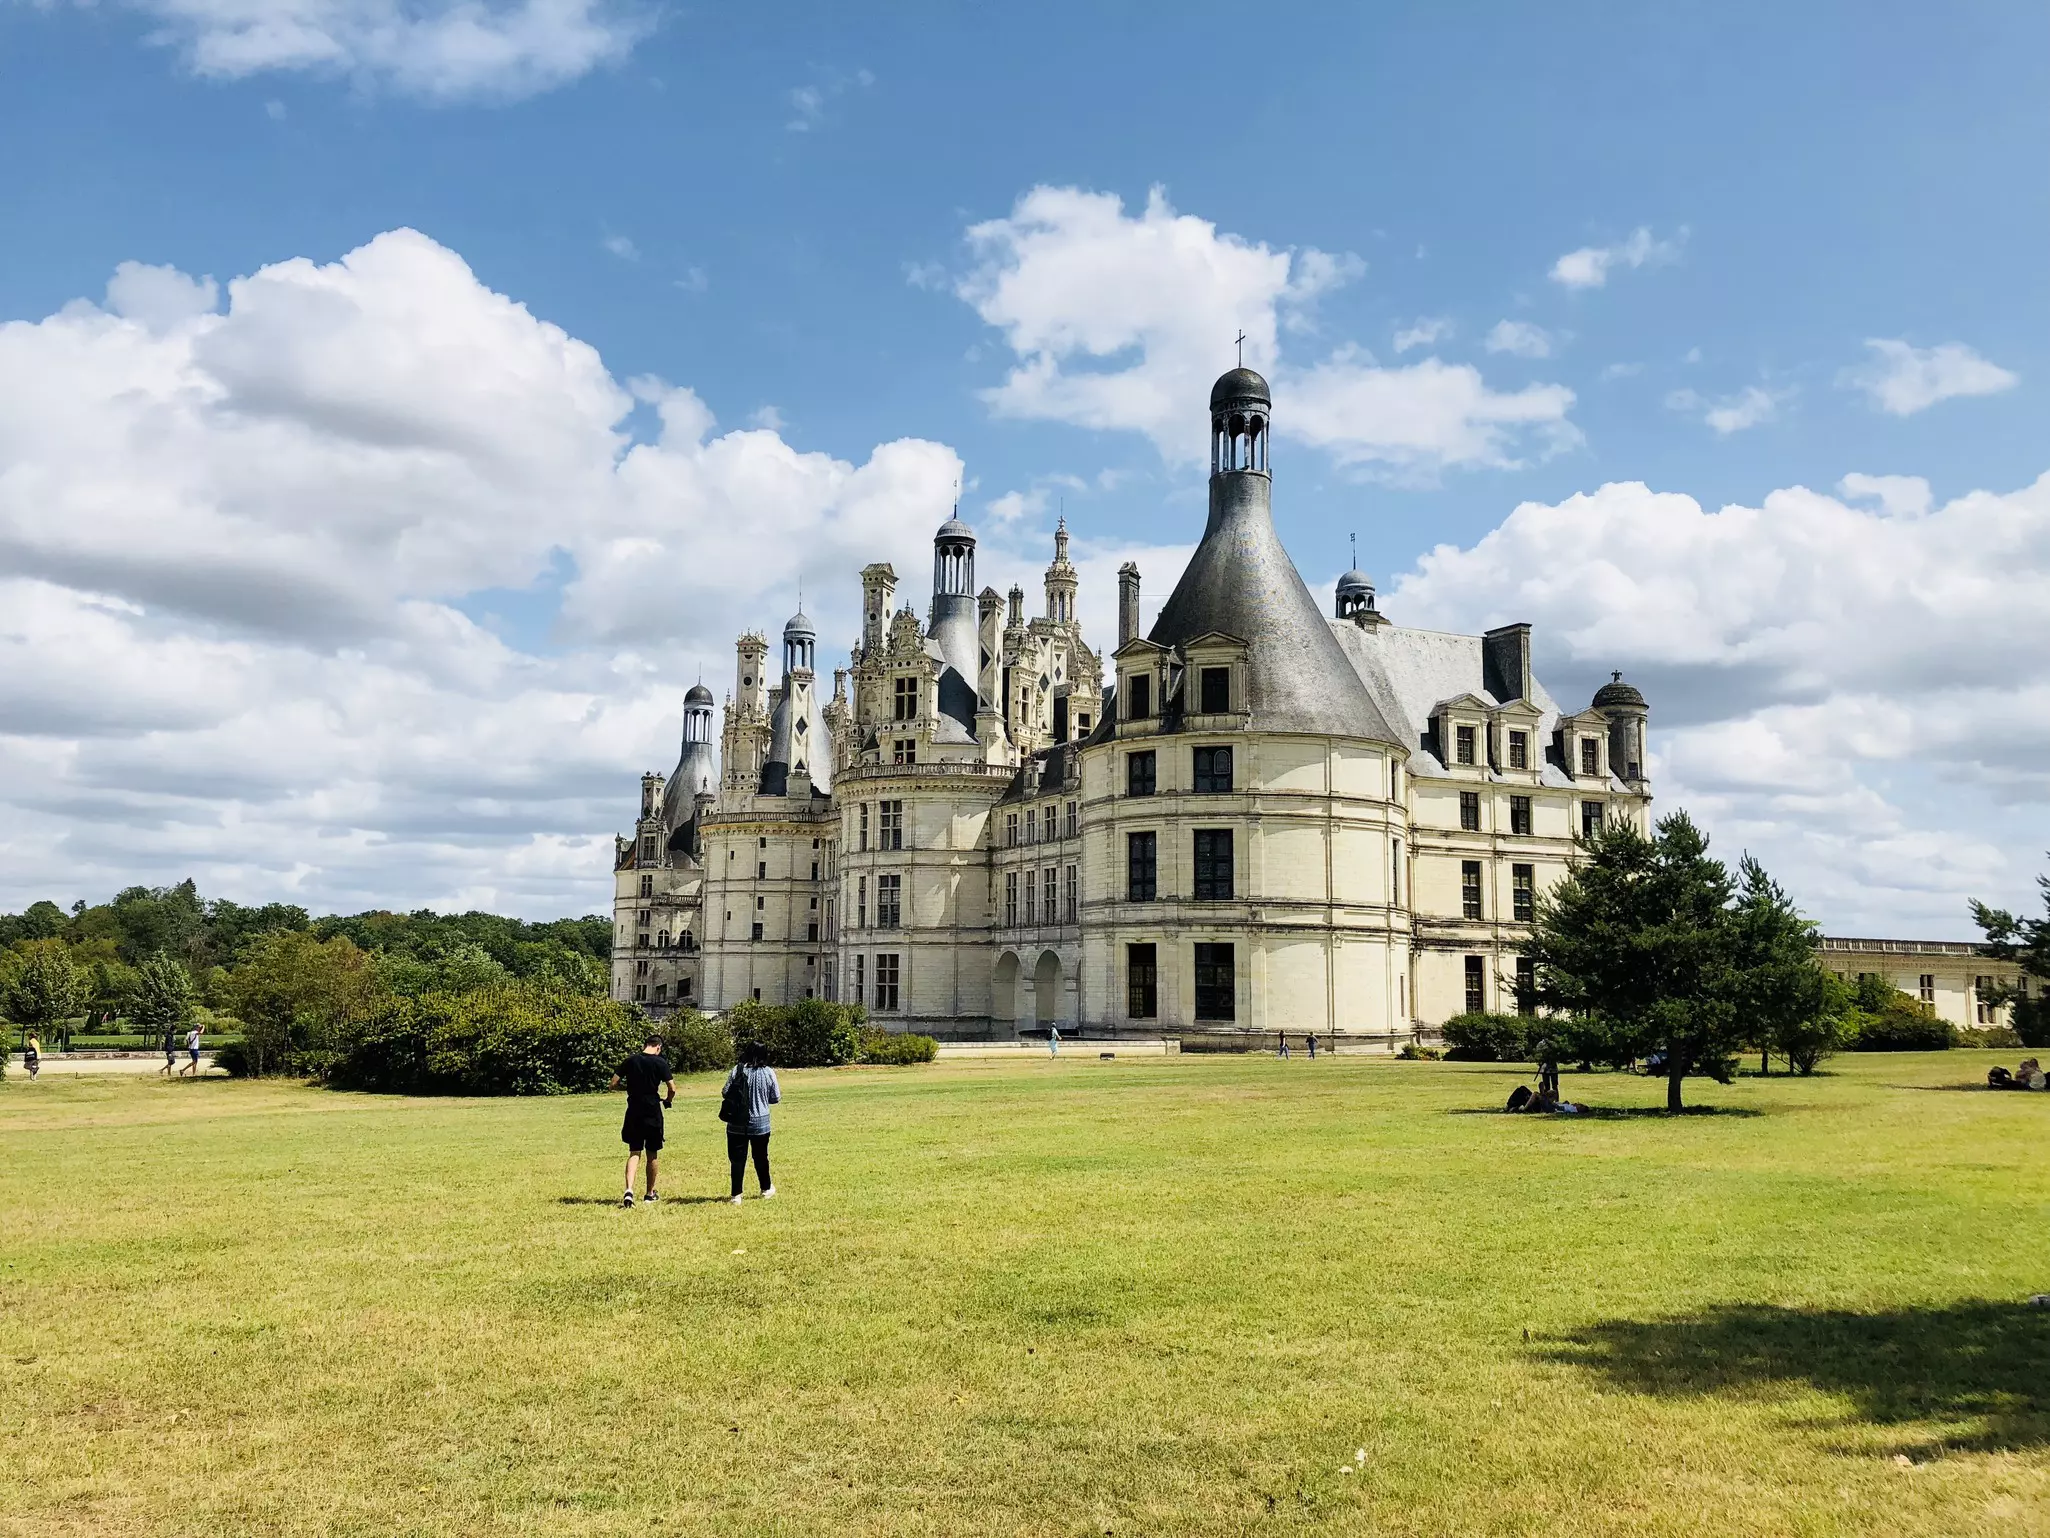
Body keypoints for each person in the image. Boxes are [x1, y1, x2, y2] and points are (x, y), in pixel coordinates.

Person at [608, 1032, 675, 1207]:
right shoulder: (660, 1062)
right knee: (652, 1153)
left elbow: (613, 1083)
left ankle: (629, 1190)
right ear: (658, 1047)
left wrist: (629, 1088)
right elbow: (672, 1088)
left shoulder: (630, 1061)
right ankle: (649, 1194)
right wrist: (668, 1100)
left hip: (634, 1110)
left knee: (634, 1151)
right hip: (652, 1110)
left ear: (645, 1045)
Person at [719, 1041, 781, 1204]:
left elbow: (725, 1092)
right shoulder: (768, 1072)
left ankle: (736, 1195)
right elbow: (775, 1097)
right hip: (760, 1123)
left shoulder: (737, 1070)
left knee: (737, 1160)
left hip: (736, 1122)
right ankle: (766, 1188)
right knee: (761, 1156)